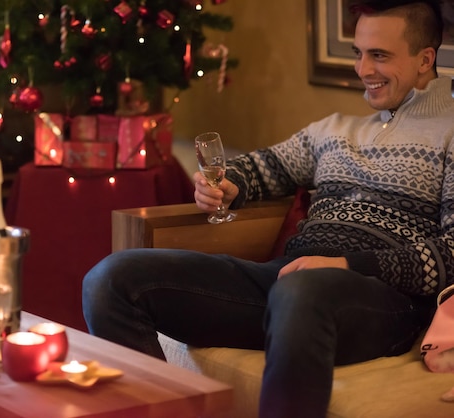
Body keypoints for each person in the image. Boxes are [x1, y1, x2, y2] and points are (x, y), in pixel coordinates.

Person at [82, 1, 454, 417]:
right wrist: (224, 185)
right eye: (358, 53)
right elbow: (263, 167)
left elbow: (452, 254)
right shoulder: (334, 130)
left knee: (300, 289)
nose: (363, 69)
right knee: (111, 280)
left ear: (425, 59)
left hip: (381, 303)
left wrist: (347, 264)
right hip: (290, 283)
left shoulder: (450, 134)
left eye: (379, 56)